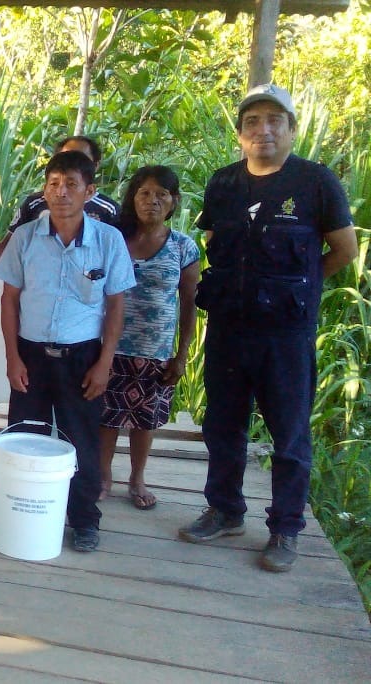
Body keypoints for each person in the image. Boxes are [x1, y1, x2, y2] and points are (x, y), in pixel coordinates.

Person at [180, 85, 357, 572]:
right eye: (253, 120)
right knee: (222, 424)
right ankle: (225, 509)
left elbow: (344, 249)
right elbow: (214, 237)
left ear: (292, 130)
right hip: (230, 328)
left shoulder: (316, 182)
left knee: (289, 434)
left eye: (275, 120)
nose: (264, 129)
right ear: (240, 134)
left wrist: (299, 286)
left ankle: (284, 529)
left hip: (285, 334)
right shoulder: (224, 184)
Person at [0, 150, 136, 553]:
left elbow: (116, 306)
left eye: (71, 184)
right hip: (31, 355)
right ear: (45, 189)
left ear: (89, 191)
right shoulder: (25, 238)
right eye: (54, 183)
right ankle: (16, 510)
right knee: (23, 436)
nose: (61, 192)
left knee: (81, 440)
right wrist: (12, 357)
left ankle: (84, 519)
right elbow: (9, 301)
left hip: (83, 358)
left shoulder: (108, 240)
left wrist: (104, 363)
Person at [99, 166, 200, 510]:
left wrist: (181, 354)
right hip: (107, 346)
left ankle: (137, 478)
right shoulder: (113, 238)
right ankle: (103, 477)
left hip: (154, 351)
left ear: (174, 202)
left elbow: (189, 305)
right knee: (106, 416)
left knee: (145, 420)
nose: (152, 201)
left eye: (161, 194)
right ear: (133, 198)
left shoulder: (183, 247)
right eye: (144, 193)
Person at [0, 136, 120, 285]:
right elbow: (12, 237)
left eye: (80, 158)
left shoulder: (108, 210)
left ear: (95, 165)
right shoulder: (35, 202)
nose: (70, 162)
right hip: (34, 285)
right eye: (64, 157)